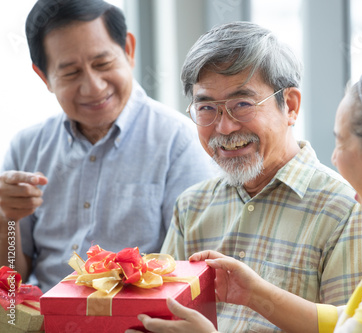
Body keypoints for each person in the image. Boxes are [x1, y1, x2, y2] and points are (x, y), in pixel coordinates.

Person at [128, 54, 362, 332]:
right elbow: (353, 319)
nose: (333, 158)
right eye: (208, 107)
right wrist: (256, 293)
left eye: (341, 143)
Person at [158, 21, 362, 332]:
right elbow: (161, 316)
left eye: (242, 104)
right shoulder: (191, 207)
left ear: (290, 106)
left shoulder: (347, 209)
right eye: (207, 108)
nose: (224, 127)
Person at [0, 0, 215, 292]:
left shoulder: (179, 142)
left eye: (103, 64)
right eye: (71, 73)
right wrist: (6, 221)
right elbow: (12, 282)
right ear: (44, 77)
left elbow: (192, 272)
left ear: (128, 50)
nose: (94, 87)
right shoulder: (25, 148)